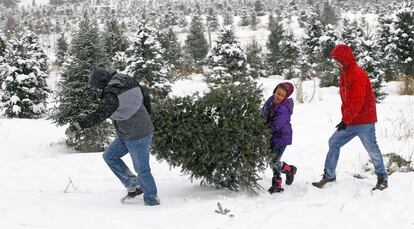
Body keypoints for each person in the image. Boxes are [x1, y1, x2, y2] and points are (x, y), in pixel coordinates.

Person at [65, 67, 160, 205]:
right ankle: (134, 185)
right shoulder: (125, 79)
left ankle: (152, 200)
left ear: (102, 82)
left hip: (138, 134)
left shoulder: (112, 95)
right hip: (126, 132)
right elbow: (144, 94)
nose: (97, 90)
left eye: (97, 87)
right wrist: (146, 113)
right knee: (109, 156)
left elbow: (99, 114)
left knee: (142, 169)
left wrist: (78, 125)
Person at [312, 44, 388, 191]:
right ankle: (329, 175)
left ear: (344, 59)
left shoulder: (358, 74)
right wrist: (346, 119)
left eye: (337, 60)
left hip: (365, 121)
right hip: (350, 120)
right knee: (334, 142)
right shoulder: (344, 72)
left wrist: (345, 121)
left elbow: (357, 102)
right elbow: (346, 100)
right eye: (334, 60)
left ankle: (382, 177)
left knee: (372, 149)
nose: (335, 63)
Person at [261, 82, 297, 194]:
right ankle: (289, 170)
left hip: (281, 137)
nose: (279, 96)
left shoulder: (284, 108)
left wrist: (266, 130)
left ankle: (277, 185)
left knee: (274, 161)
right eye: (278, 93)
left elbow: (277, 124)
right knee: (272, 160)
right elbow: (263, 112)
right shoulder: (271, 100)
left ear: (286, 97)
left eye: (282, 95)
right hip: (271, 135)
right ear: (274, 91)